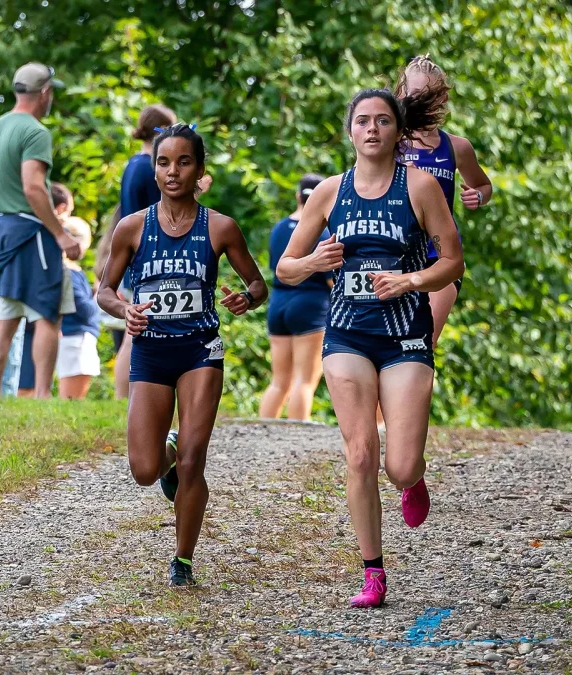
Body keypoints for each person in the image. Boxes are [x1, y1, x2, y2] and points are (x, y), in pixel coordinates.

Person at [276, 88, 463, 608]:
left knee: (399, 465)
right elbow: (285, 270)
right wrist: (315, 261)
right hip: (347, 334)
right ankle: (373, 573)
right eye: (363, 121)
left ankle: (413, 479)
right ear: (350, 131)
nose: (373, 129)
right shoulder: (330, 192)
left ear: (397, 132)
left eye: (383, 121)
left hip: (405, 335)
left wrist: (411, 280)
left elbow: (453, 262)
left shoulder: (421, 187)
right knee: (360, 454)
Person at [97, 123, 267, 586]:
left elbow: (258, 285)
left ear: (200, 171)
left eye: (184, 162)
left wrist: (245, 299)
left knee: (194, 459)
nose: (173, 172)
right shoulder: (131, 228)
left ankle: (183, 559)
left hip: (199, 351)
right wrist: (125, 309)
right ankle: (166, 452)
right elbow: (105, 291)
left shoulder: (221, 228)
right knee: (145, 470)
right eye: (164, 162)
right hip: (151, 355)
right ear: (154, 170)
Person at [0, 63, 82, 399]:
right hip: (32, 232)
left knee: (5, 315)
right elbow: (34, 188)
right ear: (45, 92)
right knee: (47, 314)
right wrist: (61, 235)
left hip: (0, 229)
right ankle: (41, 394)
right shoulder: (35, 132)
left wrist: (1, 219)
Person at [394, 55, 492, 346]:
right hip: (397, 255)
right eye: (415, 96)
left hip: (440, 257)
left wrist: (478, 196)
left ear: (442, 99)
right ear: (401, 96)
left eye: (429, 96)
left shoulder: (457, 147)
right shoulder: (390, 143)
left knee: (421, 345)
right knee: (390, 348)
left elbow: (483, 185)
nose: (422, 103)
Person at [106, 103, 178, 400]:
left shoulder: (132, 165)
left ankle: (130, 394)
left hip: (135, 255)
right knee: (134, 332)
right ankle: (125, 395)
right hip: (146, 257)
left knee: (135, 330)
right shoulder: (147, 169)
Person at [259, 173, 331, 421]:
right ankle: (296, 437)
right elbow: (331, 279)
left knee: (280, 380)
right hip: (310, 305)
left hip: (278, 303)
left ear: (297, 195)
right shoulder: (322, 231)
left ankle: (262, 430)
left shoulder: (279, 228)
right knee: (305, 380)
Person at [51, 183, 101, 399]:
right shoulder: (68, 271)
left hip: (78, 336)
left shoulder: (73, 271)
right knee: (72, 394)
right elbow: (81, 306)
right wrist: (97, 300)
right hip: (75, 335)